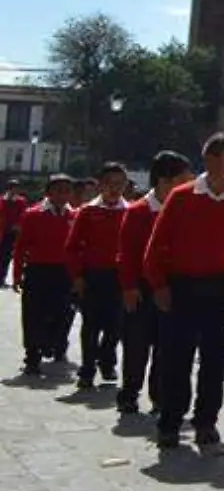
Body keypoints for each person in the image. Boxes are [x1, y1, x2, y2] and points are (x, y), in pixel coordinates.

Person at [144, 134, 224, 454]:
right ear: (211, 160)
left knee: (213, 360)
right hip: (181, 288)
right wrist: (159, 285)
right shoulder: (182, 197)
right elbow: (157, 245)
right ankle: (169, 422)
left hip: (219, 292)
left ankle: (206, 421)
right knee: (176, 358)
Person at [118, 152, 190, 416]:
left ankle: (160, 396)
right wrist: (128, 286)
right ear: (163, 180)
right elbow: (126, 253)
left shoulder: (183, 210)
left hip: (172, 287)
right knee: (137, 345)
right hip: (141, 288)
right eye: (182, 180)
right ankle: (129, 393)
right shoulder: (138, 211)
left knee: (167, 346)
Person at [66, 162, 130, 390]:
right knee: (91, 325)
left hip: (120, 278)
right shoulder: (88, 211)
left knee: (116, 325)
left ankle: (107, 359)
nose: (115, 189)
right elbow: (72, 247)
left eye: (120, 184)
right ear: (100, 185)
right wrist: (77, 276)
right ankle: (87, 369)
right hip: (93, 276)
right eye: (110, 184)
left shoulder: (130, 212)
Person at [13, 175, 76, 375]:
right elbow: (21, 247)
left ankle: (55, 343)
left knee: (63, 312)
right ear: (48, 192)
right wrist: (16, 275)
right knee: (33, 314)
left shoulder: (74, 216)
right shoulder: (33, 214)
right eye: (58, 190)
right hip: (38, 270)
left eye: (67, 191)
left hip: (64, 273)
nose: (63, 195)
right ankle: (32, 355)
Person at [0, 179, 27, 288]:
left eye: (17, 188)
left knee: (6, 256)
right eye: (13, 188)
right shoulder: (2, 200)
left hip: (12, 232)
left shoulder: (21, 201)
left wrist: (18, 225)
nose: (15, 190)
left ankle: (1, 277)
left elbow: (23, 214)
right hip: (1, 231)